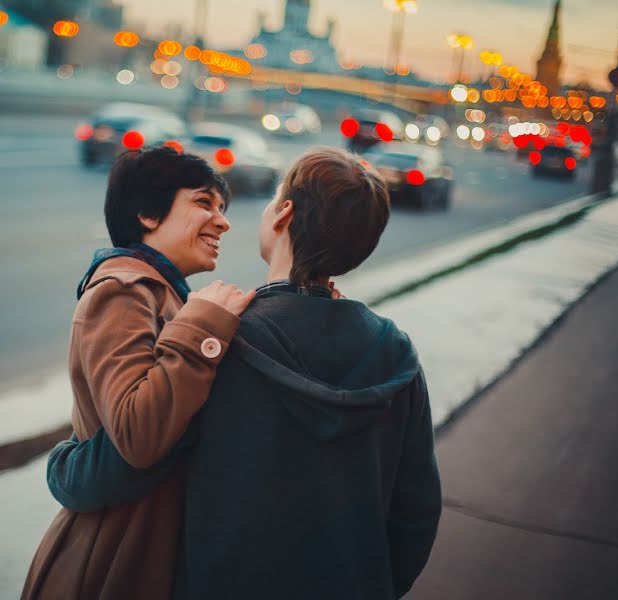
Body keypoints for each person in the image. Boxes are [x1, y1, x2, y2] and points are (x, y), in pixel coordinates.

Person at [47, 146, 442, 599]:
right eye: (205, 203)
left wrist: (65, 465)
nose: (225, 220)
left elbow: (133, 463)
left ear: (282, 216)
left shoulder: (218, 343)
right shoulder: (396, 352)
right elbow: (417, 511)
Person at [20, 146, 255, 600]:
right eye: (204, 203)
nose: (223, 221)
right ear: (149, 212)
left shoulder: (165, 293)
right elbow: (138, 432)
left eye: (222, 208)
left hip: (148, 538)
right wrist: (205, 327)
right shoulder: (124, 291)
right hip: (119, 553)